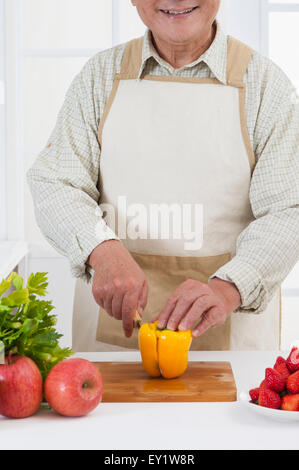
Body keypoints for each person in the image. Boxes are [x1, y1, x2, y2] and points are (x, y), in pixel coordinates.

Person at [27, 0, 299, 352]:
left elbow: (288, 209)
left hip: (231, 351)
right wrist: (101, 249)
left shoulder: (265, 86)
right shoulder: (99, 77)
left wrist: (230, 287)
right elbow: (55, 182)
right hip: (111, 348)